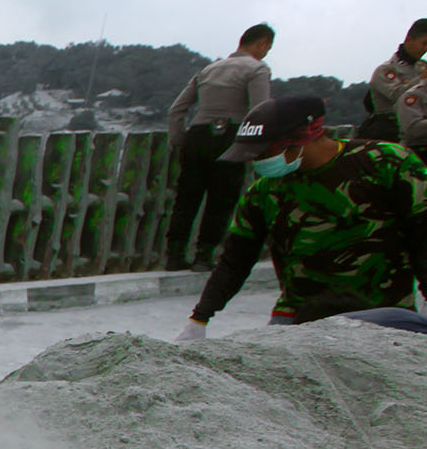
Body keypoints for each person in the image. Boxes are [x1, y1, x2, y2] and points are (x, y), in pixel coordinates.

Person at [174, 96, 427, 340]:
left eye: (261, 153)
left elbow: (422, 236)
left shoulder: (386, 163)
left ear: (299, 139)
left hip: (384, 314)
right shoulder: (264, 192)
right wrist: (199, 318)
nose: (255, 162)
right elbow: (235, 260)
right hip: (298, 317)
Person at [164, 23, 274, 269]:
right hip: (231, 138)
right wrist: (255, 148)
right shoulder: (257, 69)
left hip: (198, 135)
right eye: (267, 47)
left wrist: (181, 142)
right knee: (221, 200)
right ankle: (203, 256)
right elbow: (260, 112)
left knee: (187, 198)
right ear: (262, 44)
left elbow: (176, 111)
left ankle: (174, 255)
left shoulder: (208, 69)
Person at [358, 19, 427, 144]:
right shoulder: (386, 70)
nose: (425, 49)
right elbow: (397, 95)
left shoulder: (422, 67)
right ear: (409, 40)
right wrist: (422, 78)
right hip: (392, 132)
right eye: (424, 43)